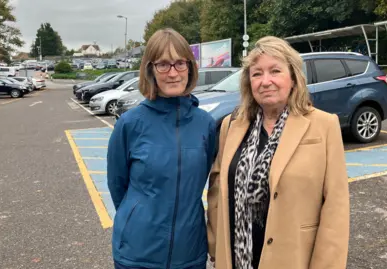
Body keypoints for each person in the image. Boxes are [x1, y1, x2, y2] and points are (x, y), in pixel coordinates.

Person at [207, 36, 350, 269]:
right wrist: (215, 244)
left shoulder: (323, 125)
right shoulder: (231, 126)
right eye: (257, 74)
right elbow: (216, 191)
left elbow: (336, 208)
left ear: (293, 78)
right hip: (236, 259)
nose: (266, 81)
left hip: (294, 260)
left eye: (275, 71)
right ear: (248, 83)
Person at [107, 28, 216, 269]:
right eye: (163, 65)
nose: (173, 73)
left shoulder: (205, 124)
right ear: (150, 70)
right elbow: (117, 185)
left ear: (190, 67)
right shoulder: (129, 124)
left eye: (180, 63)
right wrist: (137, 219)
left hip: (189, 252)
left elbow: (207, 180)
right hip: (137, 254)